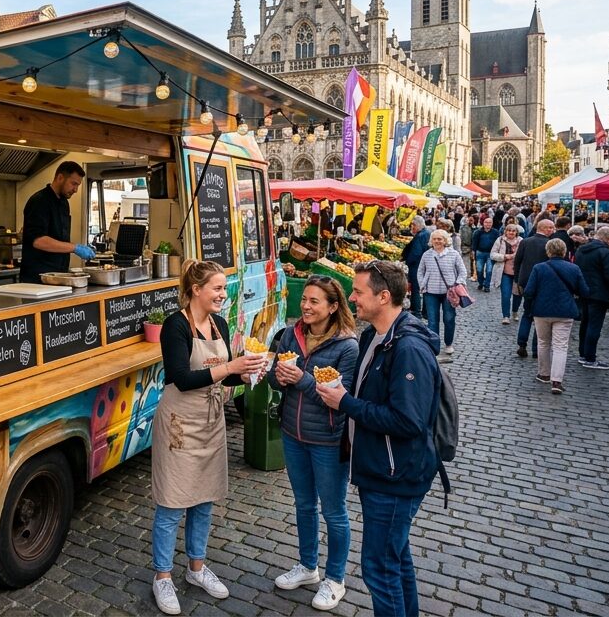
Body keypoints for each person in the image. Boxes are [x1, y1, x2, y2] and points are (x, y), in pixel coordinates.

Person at [315, 261, 441, 617]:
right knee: (395, 558)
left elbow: (408, 420)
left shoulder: (408, 348)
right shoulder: (373, 335)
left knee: (379, 568)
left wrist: (345, 402)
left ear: (384, 297)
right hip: (380, 469)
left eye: (358, 292)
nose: (351, 297)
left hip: (395, 475)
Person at [150, 260, 266, 615]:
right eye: (217, 288)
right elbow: (181, 378)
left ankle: (197, 568)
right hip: (180, 426)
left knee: (203, 501)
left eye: (223, 288)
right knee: (171, 505)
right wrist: (230, 367)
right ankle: (163, 577)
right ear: (196, 290)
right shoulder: (175, 326)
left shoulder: (219, 323)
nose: (222, 294)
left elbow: (223, 377)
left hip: (211, 422)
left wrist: (245, 374)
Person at [270, 277, 359, 611]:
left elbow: (343, 399)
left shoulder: (346, 347)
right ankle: (308, 567)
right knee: (303, 504)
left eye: (314, 302)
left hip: (327, 440)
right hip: (293, 436)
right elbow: (274, 377)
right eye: (304, 299)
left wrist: (304, 380)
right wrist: (277, 377)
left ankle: (335, 579)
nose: (305, 306)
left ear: (333, 307)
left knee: (334, 512)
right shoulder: (291, 334)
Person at [524, 239, 588, 395]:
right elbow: (584, 291)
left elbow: (529, 291)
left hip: (542, 311)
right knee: (560, 346)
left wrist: (530, 306)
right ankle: (557, 381)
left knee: (543, 342)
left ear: (548, 252)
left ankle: (543, 374)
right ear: (564, 251)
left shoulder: (539, 268)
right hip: (565, 312)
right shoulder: (574, 268)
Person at [19, 161, 95, 284]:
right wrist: (74, 248)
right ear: (60, 178)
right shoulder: (39, 201)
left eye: (78, 185)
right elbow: (38, 241)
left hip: (59, 274)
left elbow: (60, 237)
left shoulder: (64, 203)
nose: (75, 190)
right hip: (38, 278)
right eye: (73, 184)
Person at [575, 226, 609, 370]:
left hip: (584, 292)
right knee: (594, 326)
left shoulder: (581, 250)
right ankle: (590, 357)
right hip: (599, 294)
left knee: (585, 324)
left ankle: (583, 354)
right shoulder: (606, 253)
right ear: (608, 239)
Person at [418, 229, 467, 357]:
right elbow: (420, 271)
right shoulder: (426, 255)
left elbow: (462, 271)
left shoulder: (454, 254)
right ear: (431, 241)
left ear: (445, 240)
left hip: (449, 293)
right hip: (430, 292)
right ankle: (434, 346)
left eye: (440, 239)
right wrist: (422, 285)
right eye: (435, 239)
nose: (437, 241)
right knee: (432, 321)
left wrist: (458, 284)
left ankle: (449, 343)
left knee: (449, 318)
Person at [513, 218, 555, 358]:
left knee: (527, 313)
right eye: (551, 228)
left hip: (525, 282)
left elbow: (517, 262)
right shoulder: (549, 244)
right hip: (543, 283)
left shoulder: (525, 241)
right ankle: (536, 349)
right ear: (544, 228)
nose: (553, 230)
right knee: (539, 316)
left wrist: (518, 281)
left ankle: (522, 344)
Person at [400, 216, 430, 318]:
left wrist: (407, 262)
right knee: (424, 289)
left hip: (416, 266)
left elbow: (416, 253)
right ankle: (426, 312)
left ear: (417, 225)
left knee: (416, 289)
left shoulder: (420, 236)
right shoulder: (426, 233)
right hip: (424, 265)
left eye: (413, 225)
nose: (411, 227)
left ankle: (416, 312)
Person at [471, 216, 499, 292]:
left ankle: (487, 286)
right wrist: (473, 252)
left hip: (491, 253)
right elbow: (474, 243)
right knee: (479, 270)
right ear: (483, 223)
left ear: (492, 223)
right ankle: (481, 283)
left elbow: (498, 243)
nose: (488, 224)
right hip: (480, 253)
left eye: (490, 222)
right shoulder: (478, 232)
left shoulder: (495, 232)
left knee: (489, 270)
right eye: (486, 222)